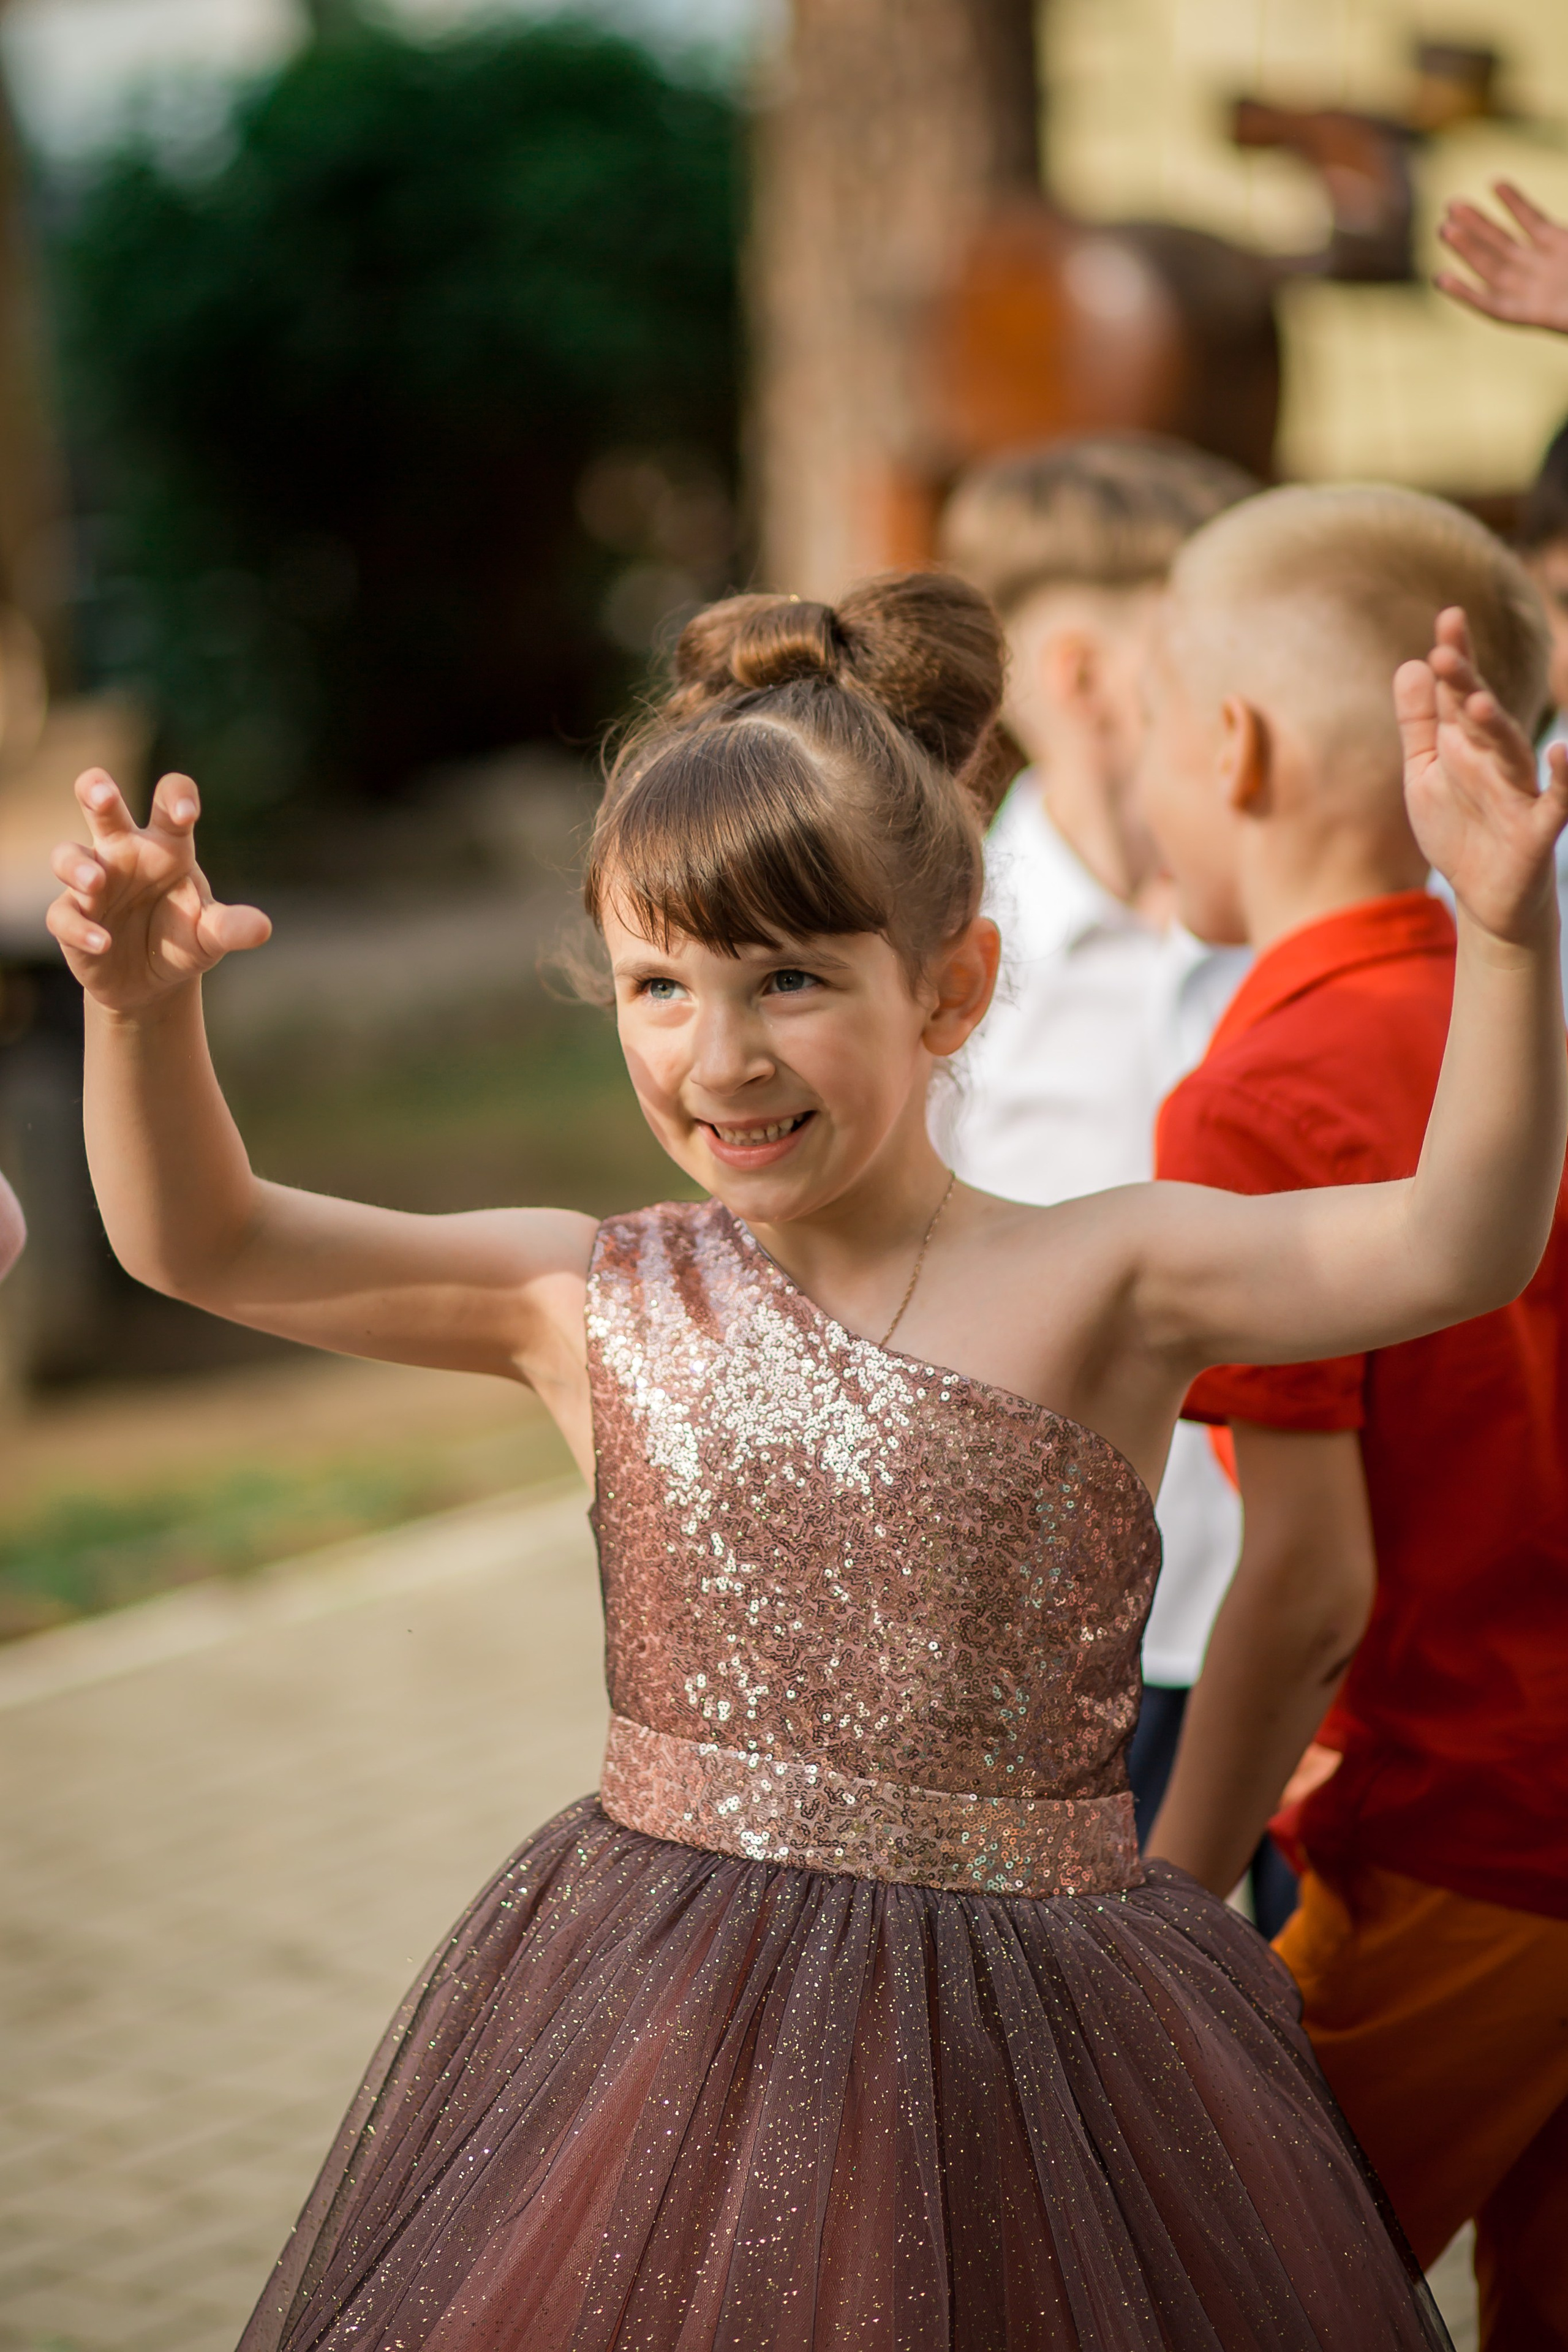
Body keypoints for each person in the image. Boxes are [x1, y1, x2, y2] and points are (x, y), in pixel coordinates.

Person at [46, 561, 1561, 2349]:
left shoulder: (1108, 1274)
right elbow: (204, 1243)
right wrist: (141, 1016)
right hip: (673, 2019)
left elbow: (1456, 1243)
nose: (723, 1055)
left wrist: (1503, 939)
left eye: (789, 980)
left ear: (951, 985)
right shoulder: (582, 1294)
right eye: (658, 987)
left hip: (1047, 2034)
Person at [1140, 485, 1568, 2352]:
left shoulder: (1260, 1094)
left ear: (1226, 749)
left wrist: (1155, 1920)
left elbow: (1307, 1585)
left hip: (1479, 1841)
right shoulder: (1532, 1028)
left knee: (1185, 2286)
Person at [935, 435, 1294, 1927]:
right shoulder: (946, 965)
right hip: (1061, 1668)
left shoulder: (1291, 922)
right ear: (1086, 680)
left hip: (1296, 1643)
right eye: (1215, 655)